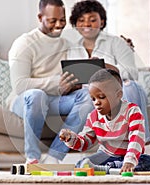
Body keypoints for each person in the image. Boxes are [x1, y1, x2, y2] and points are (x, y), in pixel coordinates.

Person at [6, 0, 94, 164]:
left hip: (55, 99)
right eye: (53, 21)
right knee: (37, 95)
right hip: (25, 101)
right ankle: (32, 157)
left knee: (88, 96)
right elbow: (20, 85)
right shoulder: (24, 43)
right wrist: (56, 83)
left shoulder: (66, 44)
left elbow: (70, 79)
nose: (59, 25)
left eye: (62, 20)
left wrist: (76, 81)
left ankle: (55, 156)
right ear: (40, 17)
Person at [67, 0, 150, 149]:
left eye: (92, 20)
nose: (87, 24)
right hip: (89, 93)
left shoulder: (116, 43)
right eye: (81, 21)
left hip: (117, 90)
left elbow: (132, 73)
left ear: (102, 22)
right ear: (75, 24)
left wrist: (106, 67)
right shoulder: (71, 49)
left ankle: (143, 144)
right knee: (86, 98)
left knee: (131, 86)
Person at [59, 69, 150, 174]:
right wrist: (70, 138)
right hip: (106, 155)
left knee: (148, 162)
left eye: (101, 97)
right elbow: (84, 142)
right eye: (93, 99)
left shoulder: (132, 111)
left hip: (129, 155)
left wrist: (129, 161)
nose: (97, 103)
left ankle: (109, 168)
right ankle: (112, 168)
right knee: (81, 164)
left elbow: (136, 139)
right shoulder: (93, 116)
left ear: (118, 95)